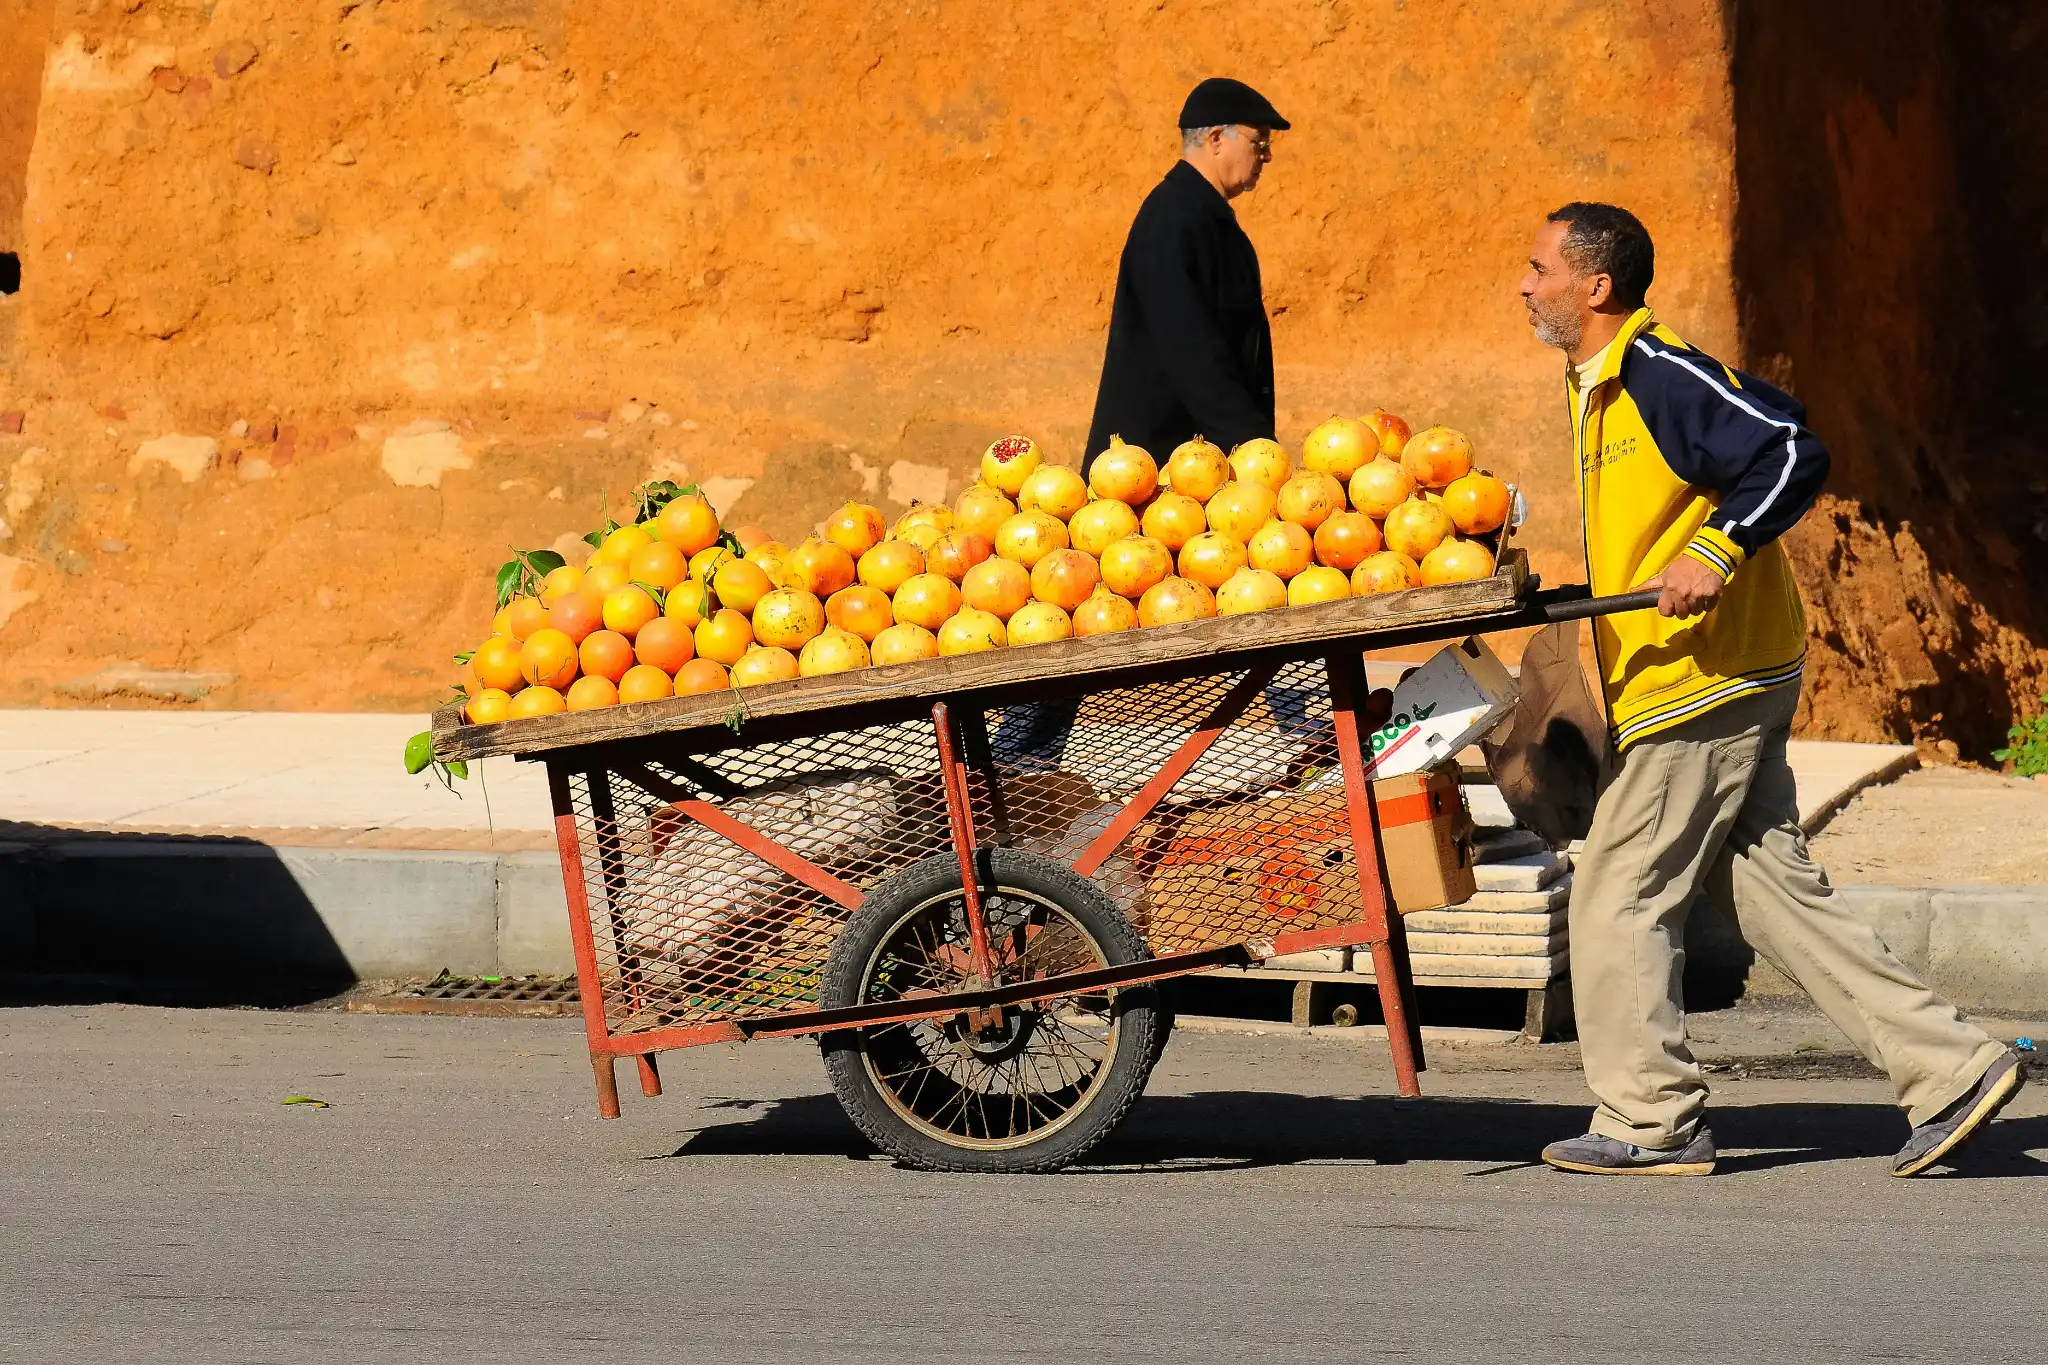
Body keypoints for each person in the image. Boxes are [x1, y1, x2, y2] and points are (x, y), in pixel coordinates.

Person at [1518, 201, 2025, 1177]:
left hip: (1702, 679)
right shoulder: (1593, 387)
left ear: (1593, 286)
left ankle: (1647, 1118)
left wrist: (1715, 549)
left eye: (1537, 267)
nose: (1523, 283)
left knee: (1617, 891)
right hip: (1694, 674)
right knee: (1765, 889)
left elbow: (1791, 447)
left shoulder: (1656, 371)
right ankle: (1952, 1067)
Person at [1082, 77, 1287, 474]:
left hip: (1198, 468)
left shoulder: (1204, 218)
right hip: (1151, 476)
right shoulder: (1172, 221)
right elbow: (1191, 351)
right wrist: (1253, 449)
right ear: (1215, 138)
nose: (1266, 157)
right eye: (1258, 143)